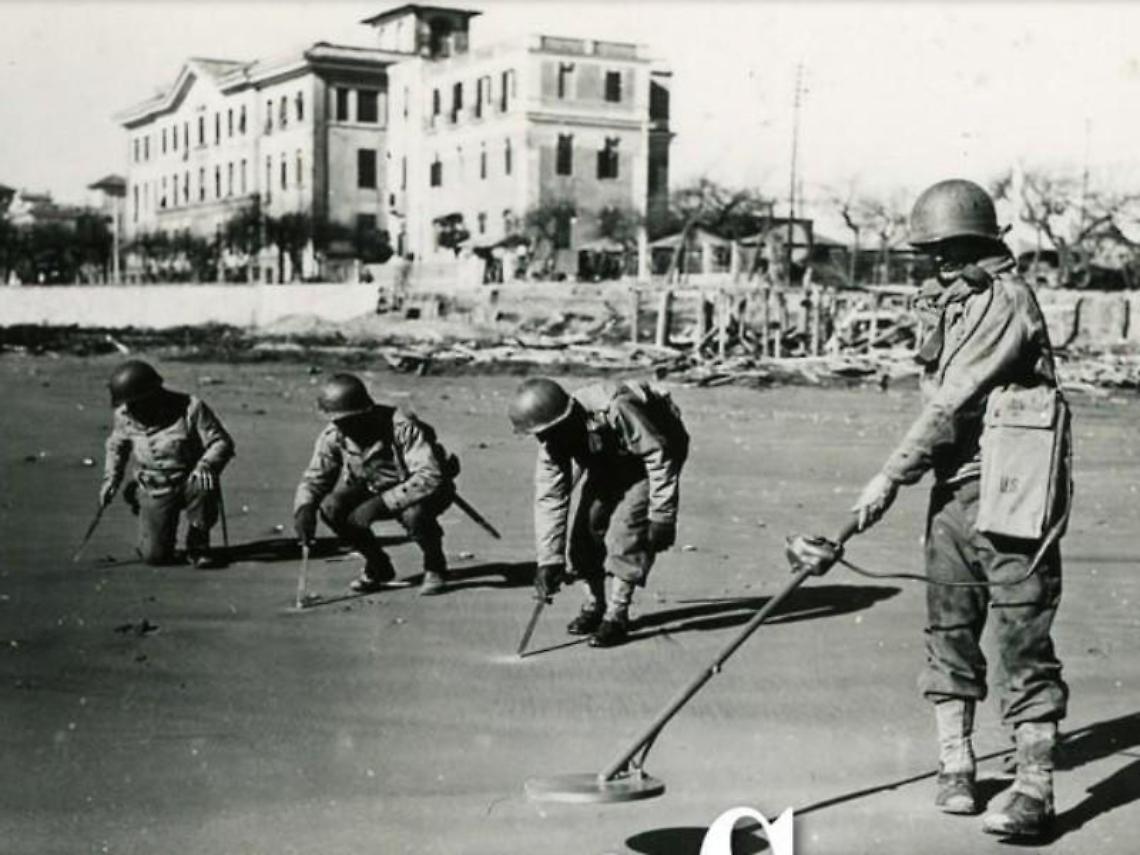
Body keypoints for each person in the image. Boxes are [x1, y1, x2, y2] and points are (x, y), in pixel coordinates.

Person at [847, 179, 1071, 838]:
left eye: (945, 250)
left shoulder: (1006, 302)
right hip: (953, 491)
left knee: (1023, 640)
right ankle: (956, 764)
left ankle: (1036, 790)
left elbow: (953, 402)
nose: (933, 263)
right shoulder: (950, 302)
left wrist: (888, 478)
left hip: (1015, 495)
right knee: (948, 628)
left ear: (975, 243)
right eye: (929, 253)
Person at [509, 378, 689, 648]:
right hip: (607, 461)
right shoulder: (551, 440)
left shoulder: (616, 407)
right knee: (585, 533)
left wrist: (662, 514)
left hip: (651, 456)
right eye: (539, 434)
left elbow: (657, 455)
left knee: (626, 534)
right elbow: (550, 496)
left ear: (565, 418)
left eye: (548, 432)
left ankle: (617, 615)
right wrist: (549, 560)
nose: (544, 439)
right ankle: (594, 605)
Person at [293, 373, 456, 596]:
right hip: (373, 486)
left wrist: (380, 504)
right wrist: (305, 507)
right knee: (331, 508)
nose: (344, 426)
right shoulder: (334, 435)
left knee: (414, 515)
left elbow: (429, 476)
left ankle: (435, 566)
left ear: (365, 411)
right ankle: (378, 565)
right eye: (338, 420)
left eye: (350, 419)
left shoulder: (402, 427)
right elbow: (316, 476)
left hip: (425, 490)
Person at [100, 360, 235, 568]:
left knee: (204, 482)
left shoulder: (191, 407)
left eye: (137, 402)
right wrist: (111, 480)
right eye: (129, 403)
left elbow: (221, 442)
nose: (132, 408)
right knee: (155, 557)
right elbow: (116, 448)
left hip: (189, 479)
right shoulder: (124, 416)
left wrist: (206, 465)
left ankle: (198, 545)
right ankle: (139, 501)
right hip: (155, 486)